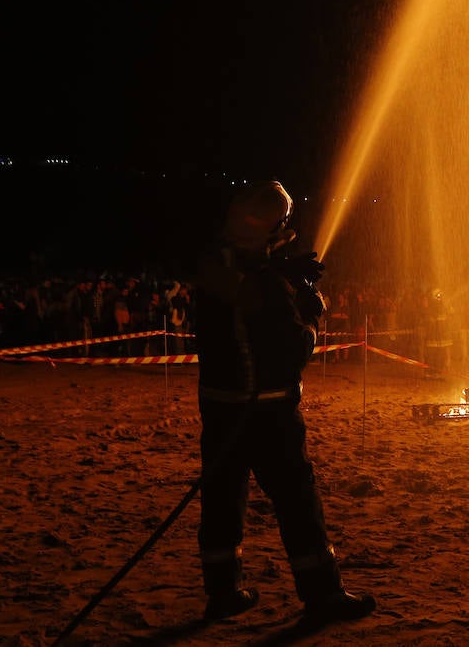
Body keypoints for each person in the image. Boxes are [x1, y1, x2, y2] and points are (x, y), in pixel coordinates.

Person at [193, 179, 376, 625]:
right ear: (270, 231)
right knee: (297, 501)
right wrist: (310, 313)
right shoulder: (265, 287)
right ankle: (323, 595)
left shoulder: (214, 266)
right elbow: (293, 351)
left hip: (219, 409)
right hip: (268, 413)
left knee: (222, 500)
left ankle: (223, 592)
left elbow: (242, 295)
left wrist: (282, 276)